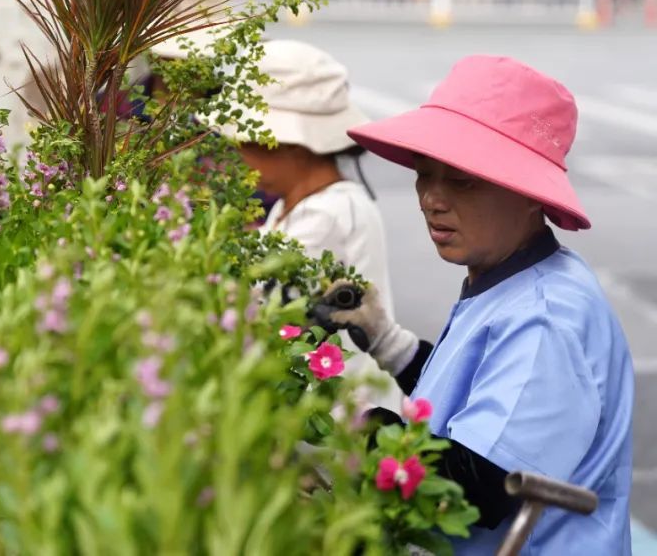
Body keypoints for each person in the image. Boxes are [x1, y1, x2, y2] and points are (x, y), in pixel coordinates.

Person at [320, 55, 633, 554]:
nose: (431, 199)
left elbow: (480, 481)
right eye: (424, 173)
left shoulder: (547, 317)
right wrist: (389, 343)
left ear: (530, 194)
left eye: (462, 180)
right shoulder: (510, 276)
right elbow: (471, 401)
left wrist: (338, 421)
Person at [223, 39, 402, 412]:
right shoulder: (298, 203)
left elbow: (257, 304)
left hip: (342, 416)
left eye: (247, 141)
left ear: (290, 144)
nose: (239, 155)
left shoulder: (327, 215)